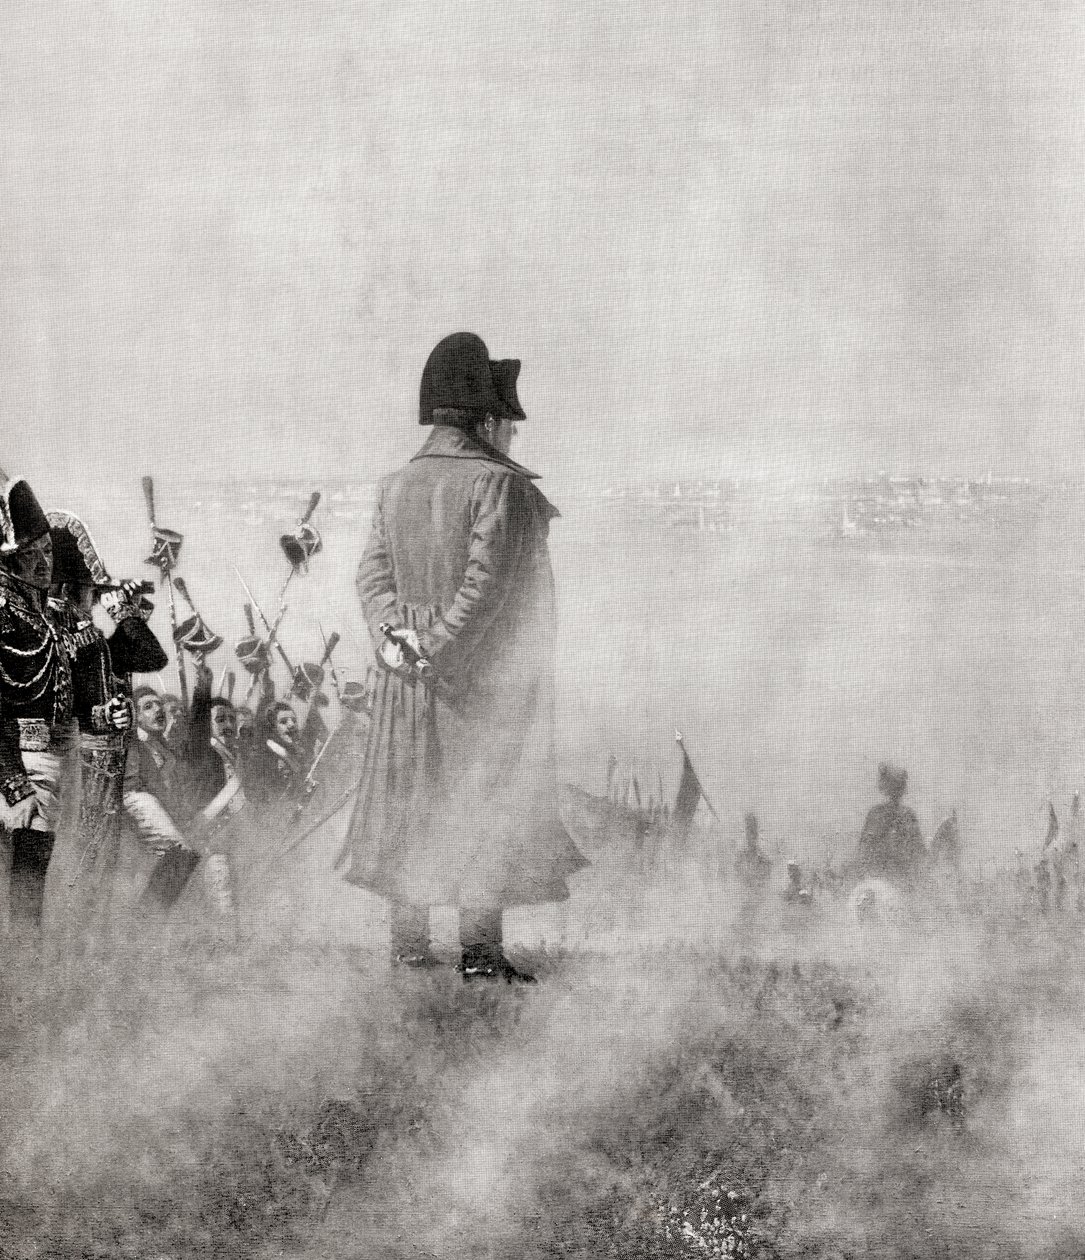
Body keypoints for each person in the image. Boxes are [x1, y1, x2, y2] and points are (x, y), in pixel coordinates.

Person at [342, 331, 587, 982]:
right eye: (505, 422)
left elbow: (371, 577)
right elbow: (485, 589)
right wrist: (437, 650)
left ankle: (409, 947)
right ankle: (478, 955)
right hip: (472, 676)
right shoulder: (497, 485)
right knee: (481, 800)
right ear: (483, 420)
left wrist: (397, 640)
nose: (512, 433)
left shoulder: (395, 484)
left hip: (403, 674)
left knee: (410, 797)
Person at [0, 475, 76, 932]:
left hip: (51, 761)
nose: (45, 562)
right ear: (11, 560)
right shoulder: (4, 614)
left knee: (35, 876)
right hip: (16, 763)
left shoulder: (43, 615)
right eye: (33, 554)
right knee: (25, 881)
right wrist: (14, 782)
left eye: (48, 551)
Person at [856, 762, 927, 883]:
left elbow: (919, 850)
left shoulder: (906, 815)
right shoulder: (878, 814)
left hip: (899, 876)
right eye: (895, 786)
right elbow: (865, 848)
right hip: (883, 878)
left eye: (899, 786)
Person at [734, 812, 772, 891]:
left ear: (757, 833)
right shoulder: (739, 860)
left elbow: (766, 886)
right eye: (749, 830)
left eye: (754, 831)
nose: (752, 835)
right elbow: (737, 883)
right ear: (745, 833)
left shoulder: (765, 861)